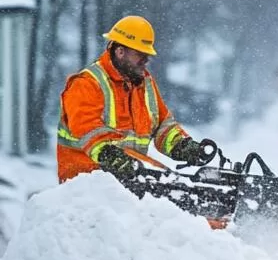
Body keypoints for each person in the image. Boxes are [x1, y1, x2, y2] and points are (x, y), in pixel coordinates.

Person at [57, 15, 215, 183]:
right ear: (120, 51)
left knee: (178, 189)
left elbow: (163, 126)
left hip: (129, 179)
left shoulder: (145, 83)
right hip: (87, 182)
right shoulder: (87, 83)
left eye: (147, 54)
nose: (146, 59)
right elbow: (88, 129)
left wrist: (183, 147)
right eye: (140, 54)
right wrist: (110, 155)